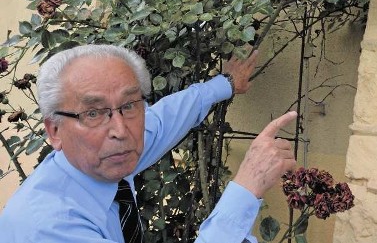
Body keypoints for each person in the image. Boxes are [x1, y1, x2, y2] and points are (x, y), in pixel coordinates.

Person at [0, 44, 297, 242]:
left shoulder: (101, 158)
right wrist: (248, 186)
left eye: (129, 105)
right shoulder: (49, 227)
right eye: (93, 113)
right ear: (54, 131)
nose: (120, 130)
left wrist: (226, 84)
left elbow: (166, 118)